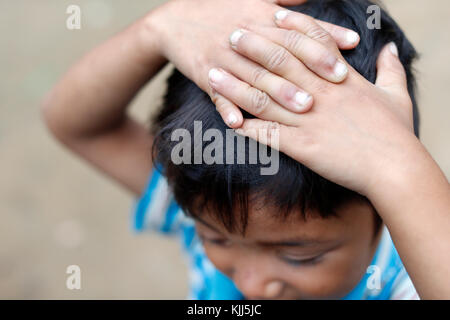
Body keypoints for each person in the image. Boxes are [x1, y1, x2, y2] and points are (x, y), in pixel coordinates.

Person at [41, 0, 450, 299]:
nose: (251, 287)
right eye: (214, 241)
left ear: (387, 213)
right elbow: (77, 125)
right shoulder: (207, 206)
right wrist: (160, 27)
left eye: (299, 257)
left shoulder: (407, 281)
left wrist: (395, 166)